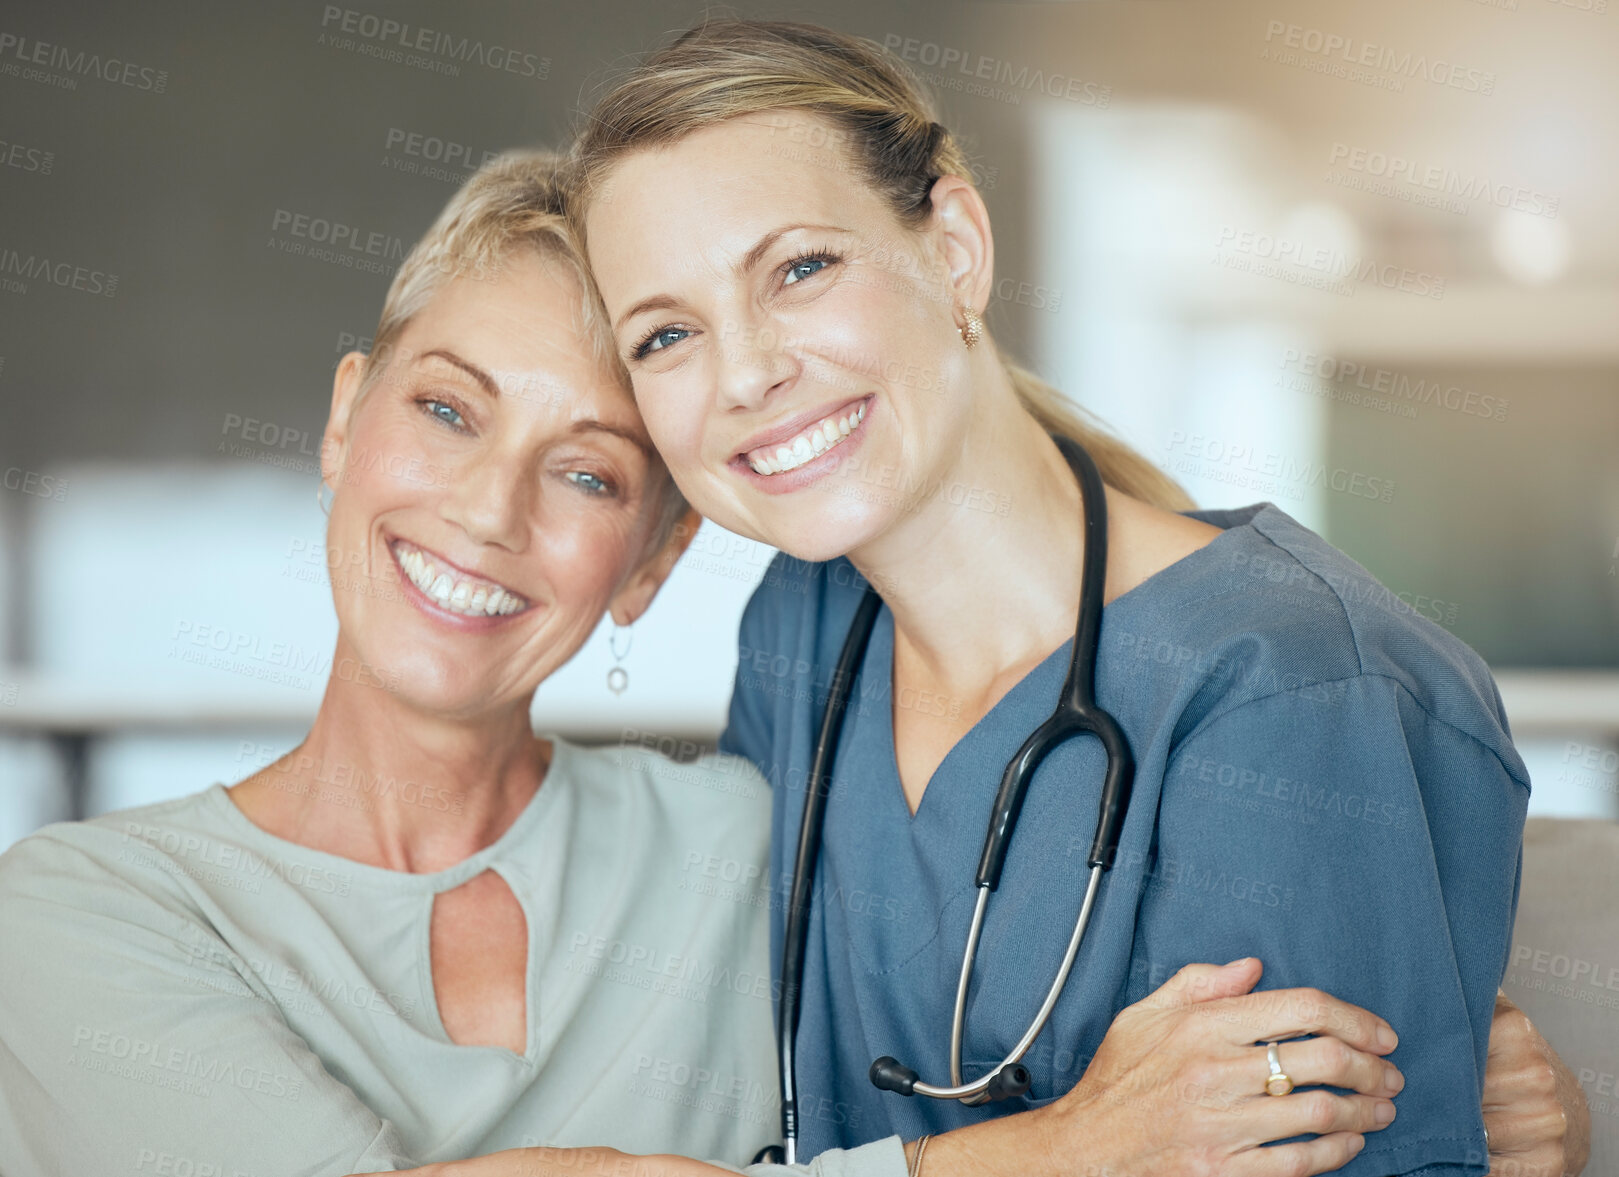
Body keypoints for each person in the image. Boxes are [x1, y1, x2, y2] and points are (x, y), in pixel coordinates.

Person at [0, 149, 1581, 1177]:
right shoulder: (79, 915)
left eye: (588, 472)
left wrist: (1434, 1056)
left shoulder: (740, 843)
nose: (487, 509)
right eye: (446, 409)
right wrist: (1062, 1154)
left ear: (655, 556)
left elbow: (1035, 1027)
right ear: (339, 417)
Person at [568, 19, 1586, 1177]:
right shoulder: (800, 632)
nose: (745, 372)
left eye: (799, 269)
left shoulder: (1292, 693)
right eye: (666, 335)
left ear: (953, 248)